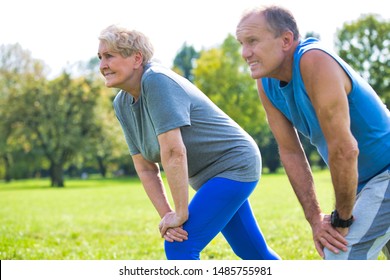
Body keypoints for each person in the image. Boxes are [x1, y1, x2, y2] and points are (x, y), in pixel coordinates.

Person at [97, 24, 280, 260]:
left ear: (136, 58)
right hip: (208, 179)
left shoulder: (156, 81)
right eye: (100, 57)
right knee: (253, 253)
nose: (102, 65)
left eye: (109, 56)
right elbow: (145, 168)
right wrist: (169, 217)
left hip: (235, 165)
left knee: (181, 246)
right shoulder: (122, 104)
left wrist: (181, 213)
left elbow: (174, 152)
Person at [236, 5, 390, 260]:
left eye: (252, 41)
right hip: (363, 183)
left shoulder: (314, 60)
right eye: (241, 43)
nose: (244, 53)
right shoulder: (265, 83)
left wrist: (341, 219)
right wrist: (315, 219)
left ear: (286, 40)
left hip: (385, 172)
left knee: (340, 253)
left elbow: (345, 149)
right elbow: (290, 152)